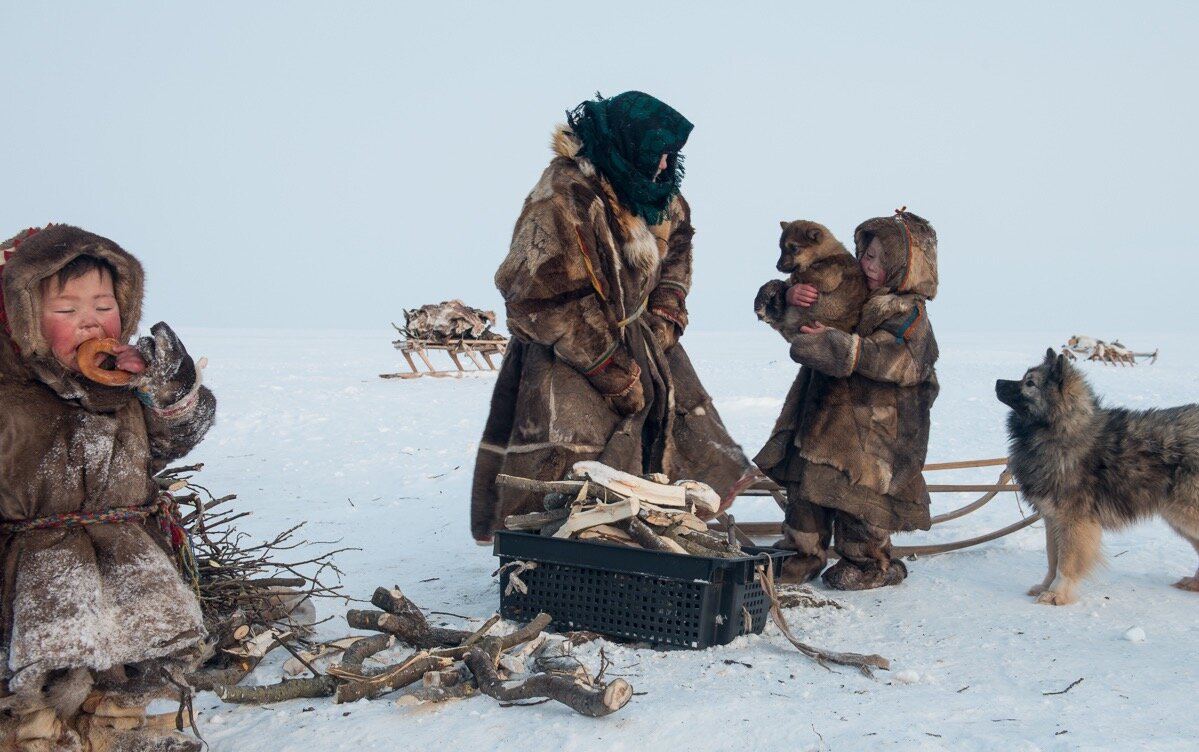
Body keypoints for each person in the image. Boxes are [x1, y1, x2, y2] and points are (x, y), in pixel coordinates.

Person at [470, 91, 754, 543]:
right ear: (626, 144)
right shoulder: (563, 194)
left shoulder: (662, 199)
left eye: (669, 155)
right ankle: (559, 557)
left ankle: (641, 543)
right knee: (574, 463)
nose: (663, 166)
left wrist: (663, 319)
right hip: (567, 350)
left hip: (644, 339)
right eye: (656, 153)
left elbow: (676, 263)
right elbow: (533, 294)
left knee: (659, 452)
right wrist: (608, 367)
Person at [0, 224, 214, 751]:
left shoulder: (126, 388)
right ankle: (32, 735)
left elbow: (173, 441)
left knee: (129, 652)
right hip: (38, 559)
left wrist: (171, 389)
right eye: (66, 310)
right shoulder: (10, 394)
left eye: (103, 304)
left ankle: (113, 727)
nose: (90, 321)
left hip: (126, 547)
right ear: (21, 318)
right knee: (49, 663)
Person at [754, 209, 939, 589]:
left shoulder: (909, 313)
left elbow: (897, 361)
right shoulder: (852, 291)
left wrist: (835, 344)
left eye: (876, 258)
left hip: (877, 429)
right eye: (865, 254)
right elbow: (803, 332)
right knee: (808, 489)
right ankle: (800, 555)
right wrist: (787, 296)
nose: (865, 263)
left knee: (860, 499)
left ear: (901, 264)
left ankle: (872, 563)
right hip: (823, 416)